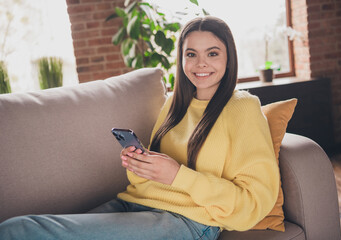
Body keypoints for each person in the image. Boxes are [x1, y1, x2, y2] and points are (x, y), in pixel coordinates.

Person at [0, 16, 279, 240]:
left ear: (229, 57)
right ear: (181, 60)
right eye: (191, 54)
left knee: (20, 231)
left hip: (189, 221)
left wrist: (177, 176)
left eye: (213, 53)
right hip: (134, 203)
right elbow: (150, 181)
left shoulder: (243, 107)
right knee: (17, 227)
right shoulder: (174, 104)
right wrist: (140, 166)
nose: (201, 63)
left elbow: (254, 202)